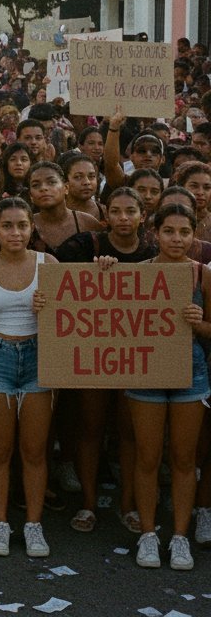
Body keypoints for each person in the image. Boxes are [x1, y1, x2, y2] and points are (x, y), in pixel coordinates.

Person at [52, 187, 153, 535]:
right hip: (94, 357)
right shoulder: (84, 247)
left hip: (135, 360)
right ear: (105, 215)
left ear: (143, 215)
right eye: (117, 212)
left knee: (129, 435)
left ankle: (127, 505)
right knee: (90, 431)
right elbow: (57, 285)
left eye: (131, 211)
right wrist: (91, 272)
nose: (124, 219)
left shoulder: (153, 252)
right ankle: (89, 504)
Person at [0, 197, 56, 560]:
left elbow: (72, 317)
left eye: (22, 225)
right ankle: (1, 523)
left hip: (39, 357)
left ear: (31, 228)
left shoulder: (48, 264)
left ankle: (33, 525)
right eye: (7, 225)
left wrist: (51, 306)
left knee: (34, 452)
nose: (16, 232)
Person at [127, 204, 210, 571]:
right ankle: (148, 533)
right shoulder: (137, 274)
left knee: (183, 458)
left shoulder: (203, 275)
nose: (177, 239)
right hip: (145, 371)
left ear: (194, 236)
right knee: (147, 457)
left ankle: (179, 536)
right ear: (154, 233)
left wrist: (199, 323)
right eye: (169, 232)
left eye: (184, 232)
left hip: (191, 373)